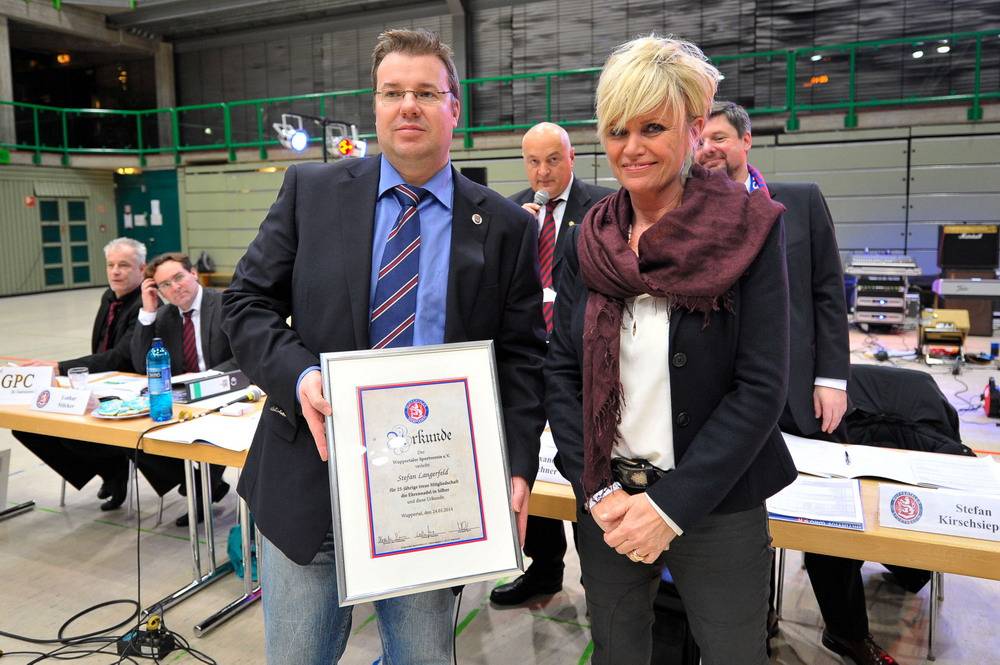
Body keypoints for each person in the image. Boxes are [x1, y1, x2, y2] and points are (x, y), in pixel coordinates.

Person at [221, 28, 546, 664]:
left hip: (431, 490)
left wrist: (515, 465)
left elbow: (522, 358)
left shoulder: (504, 225)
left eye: (426, 92)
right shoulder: (311, 192)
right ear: (374, 106)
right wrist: (301, 376)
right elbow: (246, 304)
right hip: (311, 473)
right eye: (392, 92)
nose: (408, 106)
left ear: (455, 108)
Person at [545, 36, 794, 665]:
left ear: (692, 129)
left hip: (717, 503)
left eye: (652, 128)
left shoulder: (748, 228)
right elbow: (563, 373)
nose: (632, 147)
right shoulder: (589, 240)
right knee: (617, 650)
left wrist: (671, 507)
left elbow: (761, 387)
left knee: (734, 653)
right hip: (609, 501)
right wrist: (595, 490)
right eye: (617, 130)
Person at [696, 102, 897, 665]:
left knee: (832, 525)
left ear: (746, 141)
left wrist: (832, 376)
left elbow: (828, 292)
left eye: (718, 137)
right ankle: (752, 627)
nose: (707, 149)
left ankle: (845, 630)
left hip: (799, 394)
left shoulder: (800, 201)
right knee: (738, 524)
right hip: (725, 399)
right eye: (699, 140)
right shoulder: (688, 209)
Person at [491, 122, 614, 607]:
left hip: (579, 362)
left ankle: (600, 582)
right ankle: (544, 569)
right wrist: (512, 243)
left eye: (552, 160)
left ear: (572, 157)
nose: (542, 171)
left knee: (582, 464)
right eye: (533, 161)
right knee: (527, 461)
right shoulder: (508, 212)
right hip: (524, 358)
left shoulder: (603, 207)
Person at [12, 237, 146, 510]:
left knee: (68, 429)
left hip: (128, 390)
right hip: (98, 382)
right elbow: (100, 348)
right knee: (30, 427)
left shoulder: (146, 303)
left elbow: (120, 356)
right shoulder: (109, 297)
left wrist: (60, 367)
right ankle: (109, 469)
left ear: (142, 269)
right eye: (110, 265)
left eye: (123, 265)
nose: (115, 271)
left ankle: (114, 466)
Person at [131, 251, 235, 526]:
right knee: (137, 438)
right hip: (184, 399)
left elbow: (245, 355)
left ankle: (202, 488)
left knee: (207, 433)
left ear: (194, 274)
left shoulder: (224, 303)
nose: (175, 287)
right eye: (165, 284)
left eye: (179, 277)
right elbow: (142, 364)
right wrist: (148, 311)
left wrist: (205, 379)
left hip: (226, 392)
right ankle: (199, 483)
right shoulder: (164, 316)